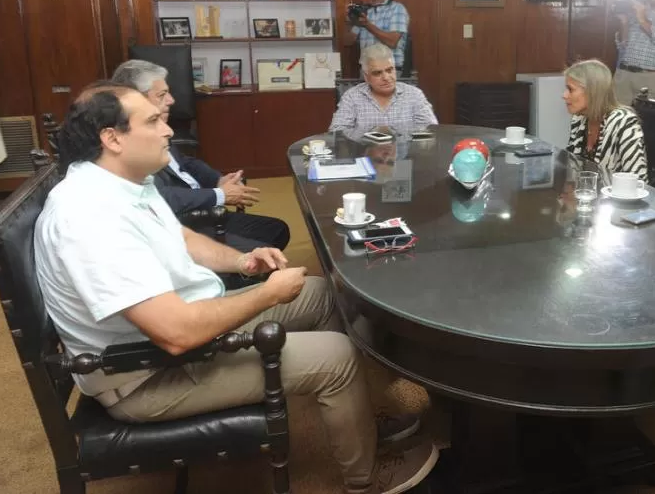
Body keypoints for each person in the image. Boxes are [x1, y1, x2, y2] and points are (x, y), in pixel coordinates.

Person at [35, 83, 438, 494]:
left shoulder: (124, 182)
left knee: (319, 293)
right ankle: (365, 481)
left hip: (187, 322)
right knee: (336, 357)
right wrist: (266, 293)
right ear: (112, 137)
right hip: (148, 376)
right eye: (153, 120)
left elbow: (180, 238)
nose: (168, 130)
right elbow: (177, 334)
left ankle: (359, 421)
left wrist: (241, 261)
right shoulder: (89, 218)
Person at [111, 60, 290, 253]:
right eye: (162, 95)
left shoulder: (159, 127)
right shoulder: (133, 141)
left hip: (202, 205)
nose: (171, 100)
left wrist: (217, 179)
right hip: (185, 222)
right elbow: (162, 196)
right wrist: (219, 195)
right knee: (264, 253)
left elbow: (184, 164)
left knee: (277, 230)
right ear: (136, 98)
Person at [563, 59, 648, 178]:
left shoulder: (623, 121)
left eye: (570, 89)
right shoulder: (579, 119)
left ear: (592, 91)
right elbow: (573, 169)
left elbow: (639, 181)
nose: (564, 95)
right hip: (588, 193)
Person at [329, 44, 437, 136]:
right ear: (366, 77)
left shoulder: (414, 95)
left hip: (405, 156)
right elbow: (337, 131)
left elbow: (431, 128)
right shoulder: (352, 97)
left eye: (389, 70)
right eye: (377, 73)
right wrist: (371, 133)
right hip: (365, 154)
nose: (386, 77)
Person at [344, 0, 410, 76]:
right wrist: (350, 21)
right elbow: (347, 42)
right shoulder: (365, 12)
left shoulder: (397, 9)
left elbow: (392, 41)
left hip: (390, 70)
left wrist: (367, 25)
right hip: (366, 70)